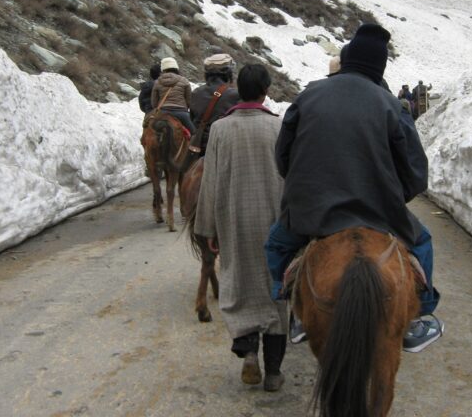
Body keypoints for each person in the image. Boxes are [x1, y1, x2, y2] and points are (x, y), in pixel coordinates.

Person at [265, 23, 443, 353]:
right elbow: (417, 174)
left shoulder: (309, 95)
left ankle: (292, 301)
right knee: (423, 244)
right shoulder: (392, 105)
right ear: (380, 68)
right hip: (378, 213)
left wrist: (303, 187)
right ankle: (421, 314)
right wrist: (391, 194)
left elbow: (283, 156)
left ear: (347, 61)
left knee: (276, 244)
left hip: (312, 211)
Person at [194, 64, 288, 392]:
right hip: (275, 224)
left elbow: (210, 182)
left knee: (241, 284)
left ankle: (249, 353)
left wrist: (207, 228)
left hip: (235, 222)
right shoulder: (278, 127)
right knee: (275, 289)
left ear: (239, 90)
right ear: (265, 90)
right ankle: (274, 371)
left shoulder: (220, 129)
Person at [188, 53, 240, 155]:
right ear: (228, 73)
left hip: (199, 148)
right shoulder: (235, 95)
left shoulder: (196, 93)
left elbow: (192, 121)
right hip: (224, 149)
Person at [151, 57, 196, 134]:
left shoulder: (157, 82)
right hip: (181, 113)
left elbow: (154, 103)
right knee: (194, 133)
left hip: (163, 112)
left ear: (163, 69)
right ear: (176, 67)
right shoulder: (184, 81)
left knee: (151, 130)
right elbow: (189, 101)